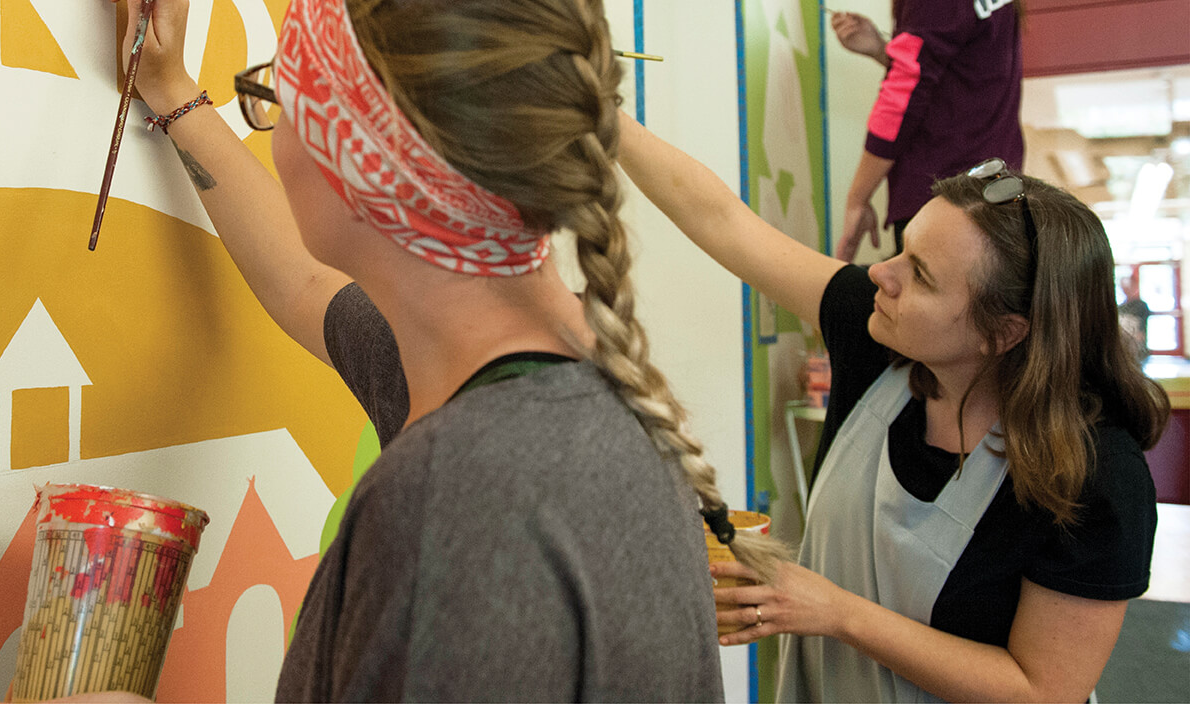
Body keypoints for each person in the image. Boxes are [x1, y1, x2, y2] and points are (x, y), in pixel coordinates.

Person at [116, 0, 785, 699]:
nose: (275, 125)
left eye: (280, 95)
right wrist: (169, 88)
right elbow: (304, 283)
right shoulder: (553, 388)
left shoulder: (450, 497)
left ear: (367, 165)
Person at [618, 114, 1165, 702]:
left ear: (1003, 333)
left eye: (921, 276)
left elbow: (1041, 689)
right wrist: (602, 112)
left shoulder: (1096, 474)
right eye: (902, 251)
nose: (882, 273)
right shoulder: (877, 333)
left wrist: (835, 612)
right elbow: (721, 220)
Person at [831, 1, 1025, 261]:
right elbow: (961, 77)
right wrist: (882, 50)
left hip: (944, 197)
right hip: (989, 192)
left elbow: (903, 95)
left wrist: (857, 198)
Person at [1118, 271, 1151, 365]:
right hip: (1125, 351)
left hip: (1136, 350)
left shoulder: (1141, 306)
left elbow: (1139, 333)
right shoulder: (1121, 307)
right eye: (1123, 288)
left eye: (1127, 287)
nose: (1125, 290)